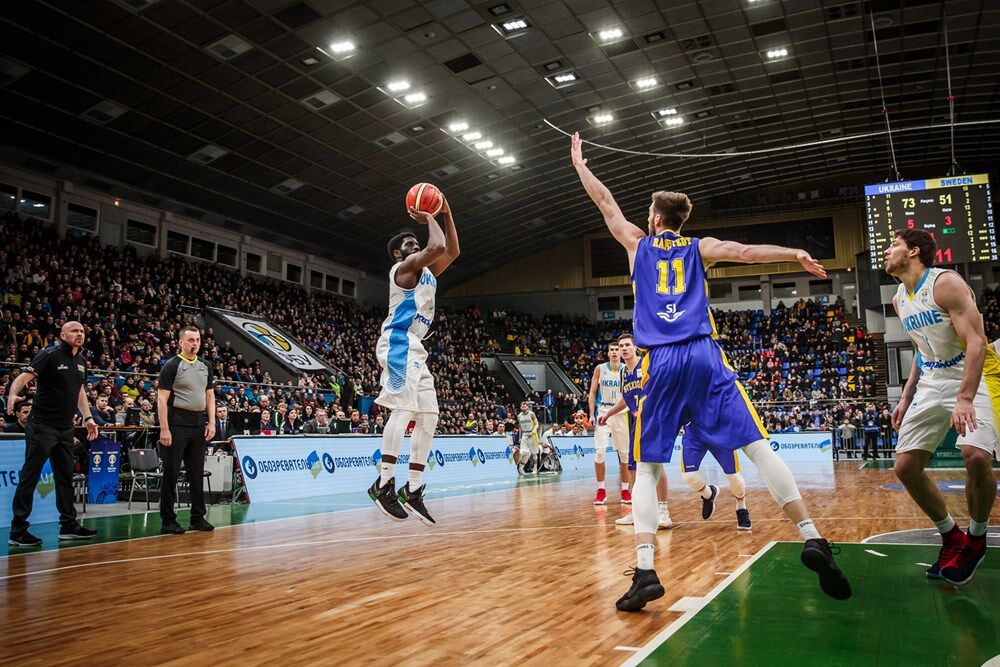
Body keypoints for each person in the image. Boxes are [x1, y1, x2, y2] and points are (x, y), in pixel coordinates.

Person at [570, 132, 851, 610]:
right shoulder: (699, 247)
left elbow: (603, 200)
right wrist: (794, 255)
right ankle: (811, 536)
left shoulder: (637, 244)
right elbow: (745, 252)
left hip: (661, 360)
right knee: (759, 449)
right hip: (705, 354)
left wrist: (579, 161)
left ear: (655, 218)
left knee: (648, 468)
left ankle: (644, 570)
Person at [885, 229, 1000, 585]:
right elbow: (921, 349)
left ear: (914, 251)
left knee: (976, 456)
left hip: (971, 371)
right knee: (905, 466)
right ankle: (951, 535)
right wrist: (906, 395)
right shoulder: (898, 299)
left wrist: (965, 397)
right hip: (933, 379)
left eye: (894, 245)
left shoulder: (946, 284)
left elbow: (977, 341)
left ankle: (976, 538)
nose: (887, 251)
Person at [369, 193, 459, 525]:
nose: (415, 244)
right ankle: (384, 483)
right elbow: (435, 246)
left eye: (414, 241)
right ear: (398, 252)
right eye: (409, 243)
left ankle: (414, 488)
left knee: (430, 416)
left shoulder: (428, 272)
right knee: (403, 409)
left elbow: (451, 250)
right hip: (397, 342)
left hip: (416, 347)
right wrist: (428, 218)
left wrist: (446, 212)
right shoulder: (403, 269)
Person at [7, 321, 98, 546]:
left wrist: (88, 418)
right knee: (30, 475)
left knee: (65, 477)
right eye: (75, 331)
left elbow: (79, 392)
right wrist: (12, 395)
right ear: (62, 334)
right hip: (42, 425)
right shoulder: (49, 354)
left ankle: (68, 525)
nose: (80, 334)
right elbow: (24, 377)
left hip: (65, 427)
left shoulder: (81, 361)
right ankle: (18, 531)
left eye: (82, 331)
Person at [597, 334, 672, 529]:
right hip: (635, 423)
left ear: (635, 347)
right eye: (621, 346)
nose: (623, 348)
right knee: (632, 467)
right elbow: (625, 399)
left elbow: (661, 389)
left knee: (655, 466)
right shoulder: (623, 373)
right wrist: (609, 414)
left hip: (653, 420)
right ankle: (637, 511)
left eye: (627, 345)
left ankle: (663, 511)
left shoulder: (646, 364)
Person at [157, 325, 216, 535]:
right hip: (176, 424)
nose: (195, 344)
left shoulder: (206, 365)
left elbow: (210, 396)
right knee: (171, 474)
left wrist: (212, 422)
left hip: (199, 424)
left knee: (196, 474)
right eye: (190, 340)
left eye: (198, 340)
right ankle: (168, 521)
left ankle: (197, 518)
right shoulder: (172, 366)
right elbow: (162, 399)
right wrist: (164, 429)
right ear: (180, 342)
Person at [589, 341, 631, 505]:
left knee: (624, 455)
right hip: (603, 413)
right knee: (599, 452)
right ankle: (601, 490)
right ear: (607, 353)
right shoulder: (600, 368)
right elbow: (592, 393)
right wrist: (591, 414)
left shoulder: (626, 369)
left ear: (621, 352)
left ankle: (625, 490)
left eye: (617, 349)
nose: (615, 352)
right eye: (612, 350)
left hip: (621, 413)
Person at [513, 400, 540, 475]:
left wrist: (533, 431)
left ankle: (535, 468)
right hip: (524, 435)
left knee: (534, 453)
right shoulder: (519, 416)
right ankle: (521, 468)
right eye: (522, 406)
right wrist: (520, 437)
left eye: (525, 406)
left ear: (527, 407)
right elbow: (520, 427)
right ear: (521, 407)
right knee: (524, 452)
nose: (524, 407)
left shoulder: (531, 413)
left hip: (532, 434)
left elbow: (537, 423)